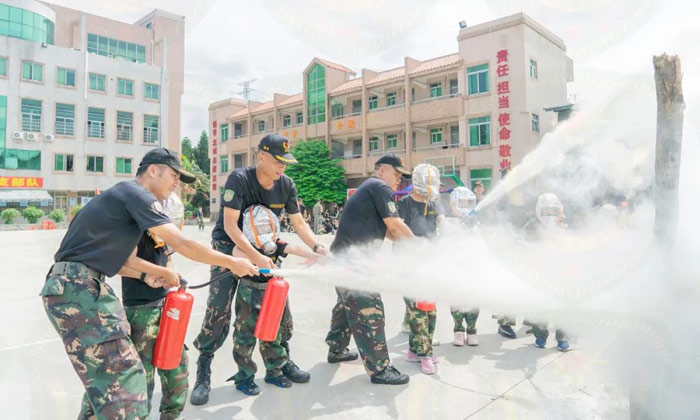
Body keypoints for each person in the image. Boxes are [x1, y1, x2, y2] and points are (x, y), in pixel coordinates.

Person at [40, 147, 257, 419]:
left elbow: (120, 262)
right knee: (126, 383)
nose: (176, 183)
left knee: (106, 384)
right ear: (152, 171)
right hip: (79, 288)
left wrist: (147, 274)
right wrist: (232, 262)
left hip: (76, 286)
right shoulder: (136, 194)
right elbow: (182, 242)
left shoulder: (121, 202)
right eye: (174, 175)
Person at [190, 134, 330, 405]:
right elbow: (231, 226)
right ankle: (203, 371)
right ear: (261, 157)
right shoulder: (240, 180)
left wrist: (317, 247)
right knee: (218, 310)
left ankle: (282, 360)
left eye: (286, 162)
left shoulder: (286, 185)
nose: (283, 167)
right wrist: (253, 257)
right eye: (278, 161)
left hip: (264, 247)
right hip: (227, 247)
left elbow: (299, 223)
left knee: (275, 305)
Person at [325, 154, 415, 385]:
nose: (399, 180)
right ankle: (380, 369)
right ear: (381, 170)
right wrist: (421, 246)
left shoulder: (370, 189)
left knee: (346, 306)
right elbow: (395, 224)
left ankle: (336, 349)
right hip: (352, 263)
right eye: (397, 174)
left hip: (345, 259)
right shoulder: (380, 186)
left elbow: (390, 232)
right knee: (370, 311)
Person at [230, 205, 322, 395]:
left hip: (271, 292)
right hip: (249, 293)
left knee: (273, 332)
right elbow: (236, 256)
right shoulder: (244, 246)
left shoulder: (275, 243)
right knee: (244, 336)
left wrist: (315, 255)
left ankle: (274, 371)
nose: (265, 233)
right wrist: (255, 260)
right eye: (261, 228)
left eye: (268, 228)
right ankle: (244, 377)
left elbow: (293, 248)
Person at [111, 194, 188, 419]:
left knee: (177, 367)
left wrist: (171, 274)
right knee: (142, 375)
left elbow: (167, 258)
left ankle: (172, 414)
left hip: (167, 305)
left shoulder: (162, 233)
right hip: (140, 309)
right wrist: (148, 275)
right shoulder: (134, 226)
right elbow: (120, 264)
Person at [397, 163, 444, 375]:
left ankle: (414, 351)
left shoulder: (434, 203)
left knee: (430, 310)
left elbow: (443, 226)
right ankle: (425, 354)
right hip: (408, 265)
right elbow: (396, 231)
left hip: (431, 264)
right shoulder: (404, 204)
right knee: (417, 312)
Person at [521, 193, 570, 351]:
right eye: (546, 211)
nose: (550, 214)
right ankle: (541, 337)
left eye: (553, 211)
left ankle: (562, 339)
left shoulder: (563, 225)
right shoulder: (531, 225)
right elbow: (521, 243)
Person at [445, 187, 481, 347]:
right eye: (461, 203)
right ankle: (458, 331)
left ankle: (472, 331)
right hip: (454, 267)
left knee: (473, 300)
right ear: (452, 204)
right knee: (456, 301)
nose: (464, 206)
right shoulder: (446, 220)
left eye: (468, 203)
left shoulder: (475, 221)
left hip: (473, 267)